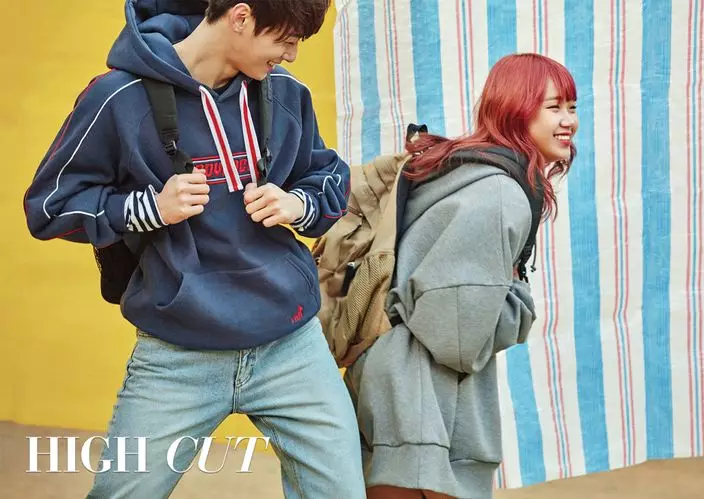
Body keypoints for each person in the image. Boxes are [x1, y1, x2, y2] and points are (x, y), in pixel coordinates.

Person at [23, 1, 365, 497]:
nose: (291, 55)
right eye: (286, 40)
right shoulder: (117, 98)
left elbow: (327, 177)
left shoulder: (288, 95)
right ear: (241, 17)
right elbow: (50, 207)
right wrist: (149, 208)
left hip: (291, 345)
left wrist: (298, 203)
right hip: (177, 354)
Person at [344, 53, 579, 499]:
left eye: (572, 107)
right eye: (554, 107)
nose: (568, 120)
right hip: (423, 402)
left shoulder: (466, 169)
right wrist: (519, 304)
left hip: (395, 381)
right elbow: (455, 333)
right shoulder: (499, 193)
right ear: (515, 109)